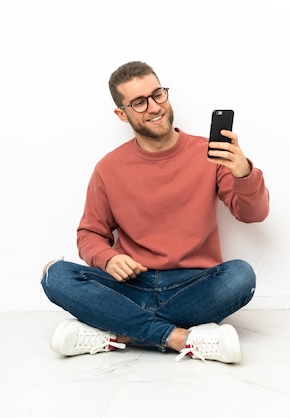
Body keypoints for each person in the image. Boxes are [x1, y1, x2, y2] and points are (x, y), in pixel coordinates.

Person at [40, 61, 269, 364]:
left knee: (241, 276)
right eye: (139, 102)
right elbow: (90, 234)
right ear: (122, 114)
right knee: (54, 274)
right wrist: (109, 258)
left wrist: (244, 173)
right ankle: (181, 338)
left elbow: (254, 214)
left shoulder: (209, 154)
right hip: (131, 285)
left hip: (192, 286)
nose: (154, 107)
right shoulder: (108, 168)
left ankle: (116, 334)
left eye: (157, 94)